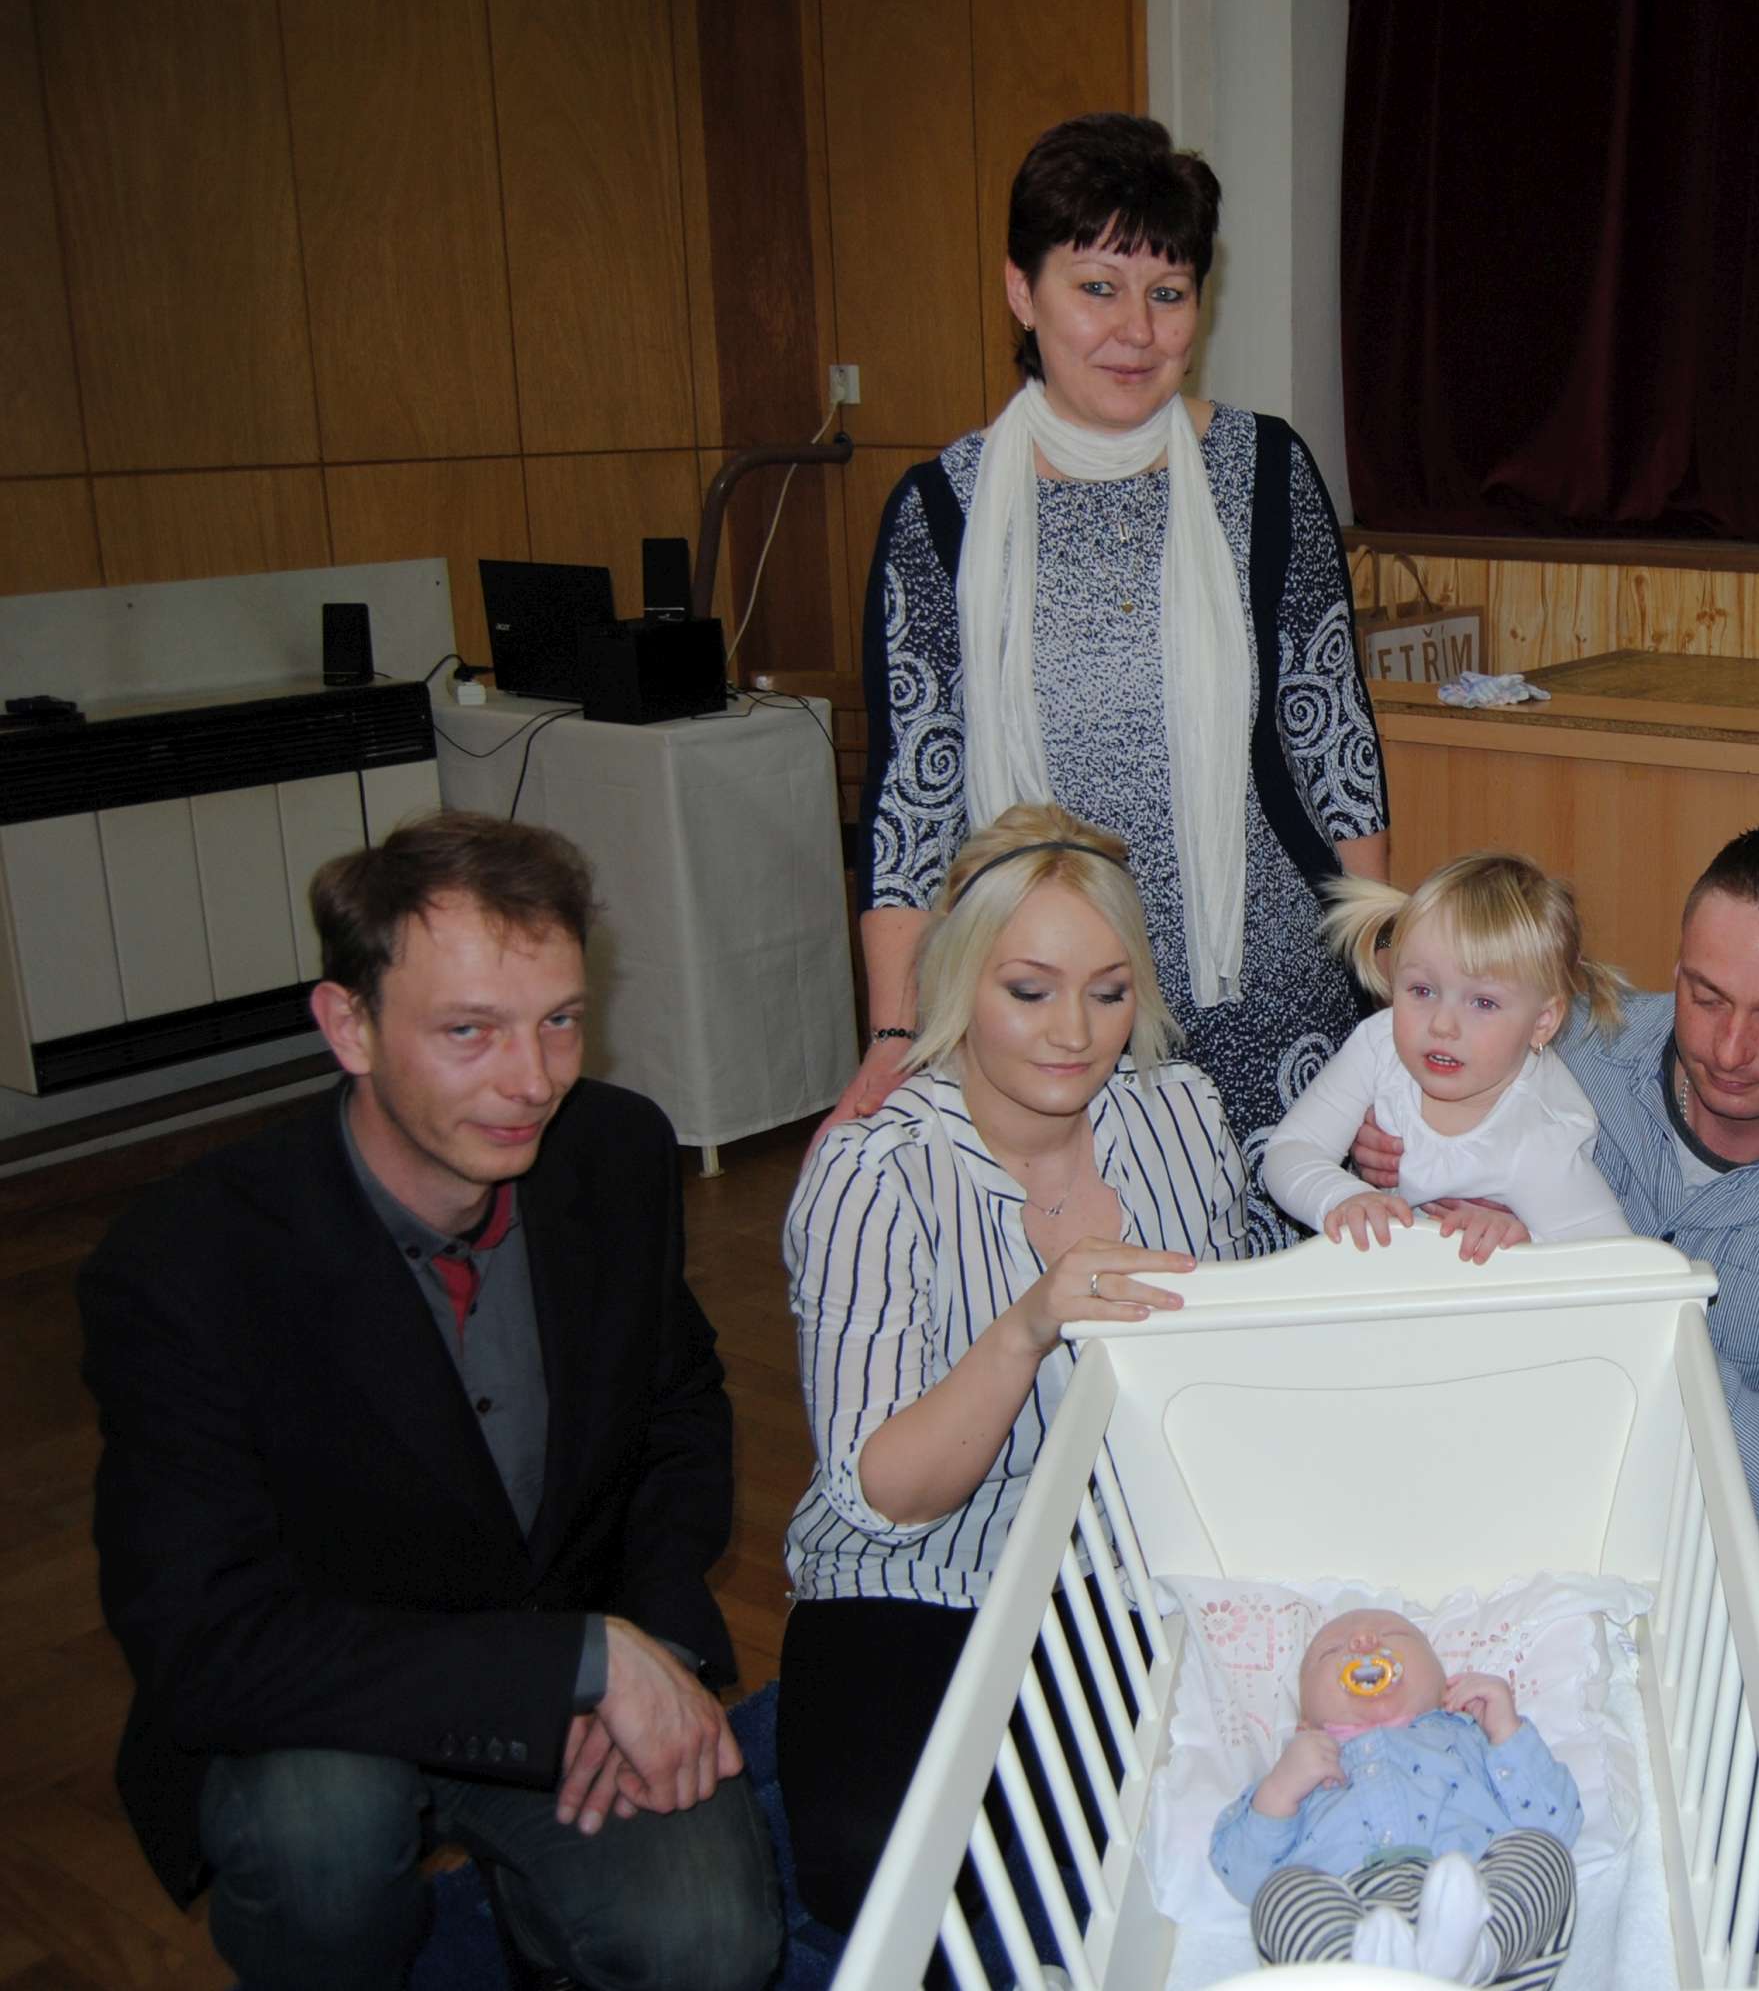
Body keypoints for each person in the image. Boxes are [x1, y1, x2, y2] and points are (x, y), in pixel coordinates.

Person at [76, 811, 780, 1991]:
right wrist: (570, 1665)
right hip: (324, 1710)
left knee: (712, 1945)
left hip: (567, 1657)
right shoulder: (186, 1259)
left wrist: (651, 1638)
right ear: (347, 1025)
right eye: (469, 1030)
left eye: (560, 1020)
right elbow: (202, 1642)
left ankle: (541, 1926)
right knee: (320, 1843)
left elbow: (680, 1411)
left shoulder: (615, 1152)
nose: (533, 1080)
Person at [837, 110, 1386, 1247]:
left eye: (1168, 293)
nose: (1136, 330)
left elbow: (1335, 751)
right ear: (1021, 292)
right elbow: (911, 802)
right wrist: (894, 1036)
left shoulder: (1265, 473)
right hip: (1046, 1021)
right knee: (1084, 1303)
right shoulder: (940, 514)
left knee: (1279, 1308)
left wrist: (1385, 1007)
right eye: (1096, 287)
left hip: (1269, 999)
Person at [1356, 813, 1759, 1806]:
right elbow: (1400, 1079)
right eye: (1705, 994)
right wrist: (1392, 1156)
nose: (1728, 1049)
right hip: (1498, 1433)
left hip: (1710, 1497)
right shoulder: (1563, 1037)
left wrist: (1624, 1279)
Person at [777, 803, 1254, 1932]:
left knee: (1180, 1838)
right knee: (875, 1873)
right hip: (922, 1576)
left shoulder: (1180, 1114)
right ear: (956, 982)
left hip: (1128, 1566)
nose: (1075, 1033)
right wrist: (1026, 1326)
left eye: (1110, 991)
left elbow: (1239, 1356)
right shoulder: (873, 1171)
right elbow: (885, 1496)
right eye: (1029, 991)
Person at [1264, 850, 1633, 1259]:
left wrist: (1525, 1246)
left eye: (1483, 1003)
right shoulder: (1380, 1044)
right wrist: (1345, 1198)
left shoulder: (1540, 1138)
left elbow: (1617, 1265)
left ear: (1541, 1022)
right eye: (1422, 990)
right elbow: (1290, 1151)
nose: (1442, 1025)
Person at [1213, 1609, 1580, 1984]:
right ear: (1304, 1722)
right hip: (1348, 1909)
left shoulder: (1469, 1736)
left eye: (1394, 1635)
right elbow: (1244, 1875)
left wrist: (1506, 1731)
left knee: (1543, 1853)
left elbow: (1555, 1822)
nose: (1363, 1643)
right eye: (1331, 1651)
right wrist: (1280, 1789)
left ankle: (1474, 1956)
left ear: (1444, 1688)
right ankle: (1357, 1971)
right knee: (1282, 1893)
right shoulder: (1300, 1766)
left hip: (1473, 1896)